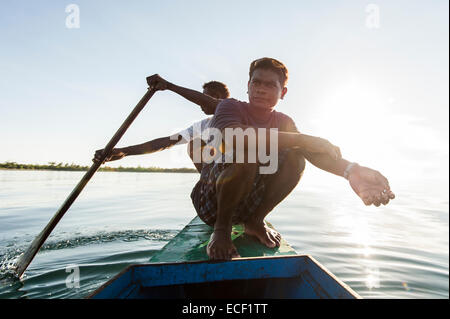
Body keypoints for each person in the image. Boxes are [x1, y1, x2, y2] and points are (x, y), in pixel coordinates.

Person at [147, 57, 395, 261]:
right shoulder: (229, 107)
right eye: (256, 83)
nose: (261, 89)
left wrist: (352, 170)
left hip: (250, 201)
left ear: (282, 92)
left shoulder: (284, 121)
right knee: (249, 150)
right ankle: (221, 231)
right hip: (211, 202)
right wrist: (305, 138)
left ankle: (255, 221)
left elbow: (311, 152)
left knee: (297, 156)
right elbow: (237, 138)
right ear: (248, 85)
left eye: (270, 85)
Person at [93, 81, 230, 172]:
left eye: (202, 98)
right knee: (196, 144)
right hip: (220, 180)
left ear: (216, 97)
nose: (199, 104)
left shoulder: (237, 112)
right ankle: (213, 192)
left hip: (241, 179)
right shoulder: (204, 125)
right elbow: (166, 142)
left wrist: (169, 86)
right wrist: (124, 151)